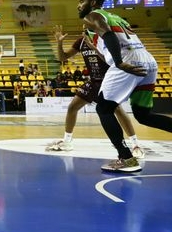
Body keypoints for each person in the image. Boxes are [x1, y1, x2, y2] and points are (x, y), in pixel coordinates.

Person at [78, 0, 172, 172]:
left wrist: (119, 62)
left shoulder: (92, 16)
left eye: (82, 1)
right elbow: (110, 44)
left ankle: (126, 158)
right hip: (148, 61)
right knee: (143, 116)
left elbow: (109, 36)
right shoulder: (116, 18)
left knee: (103, 109)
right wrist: (95, 47)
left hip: (128, 61)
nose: (78, 5)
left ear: (93, 3)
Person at [45, 24, 143, 157]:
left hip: (109, 79)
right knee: (72, 107)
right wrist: (59, 43)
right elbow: (62, 57)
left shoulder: (106, 40)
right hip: (93, 81)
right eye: (84, 28)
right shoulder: (81, 41)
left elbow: (113, 61)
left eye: (88, 28)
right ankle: (67, 141)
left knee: (118, 110)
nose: (85, 30)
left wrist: (94, 47)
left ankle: (135, 145)